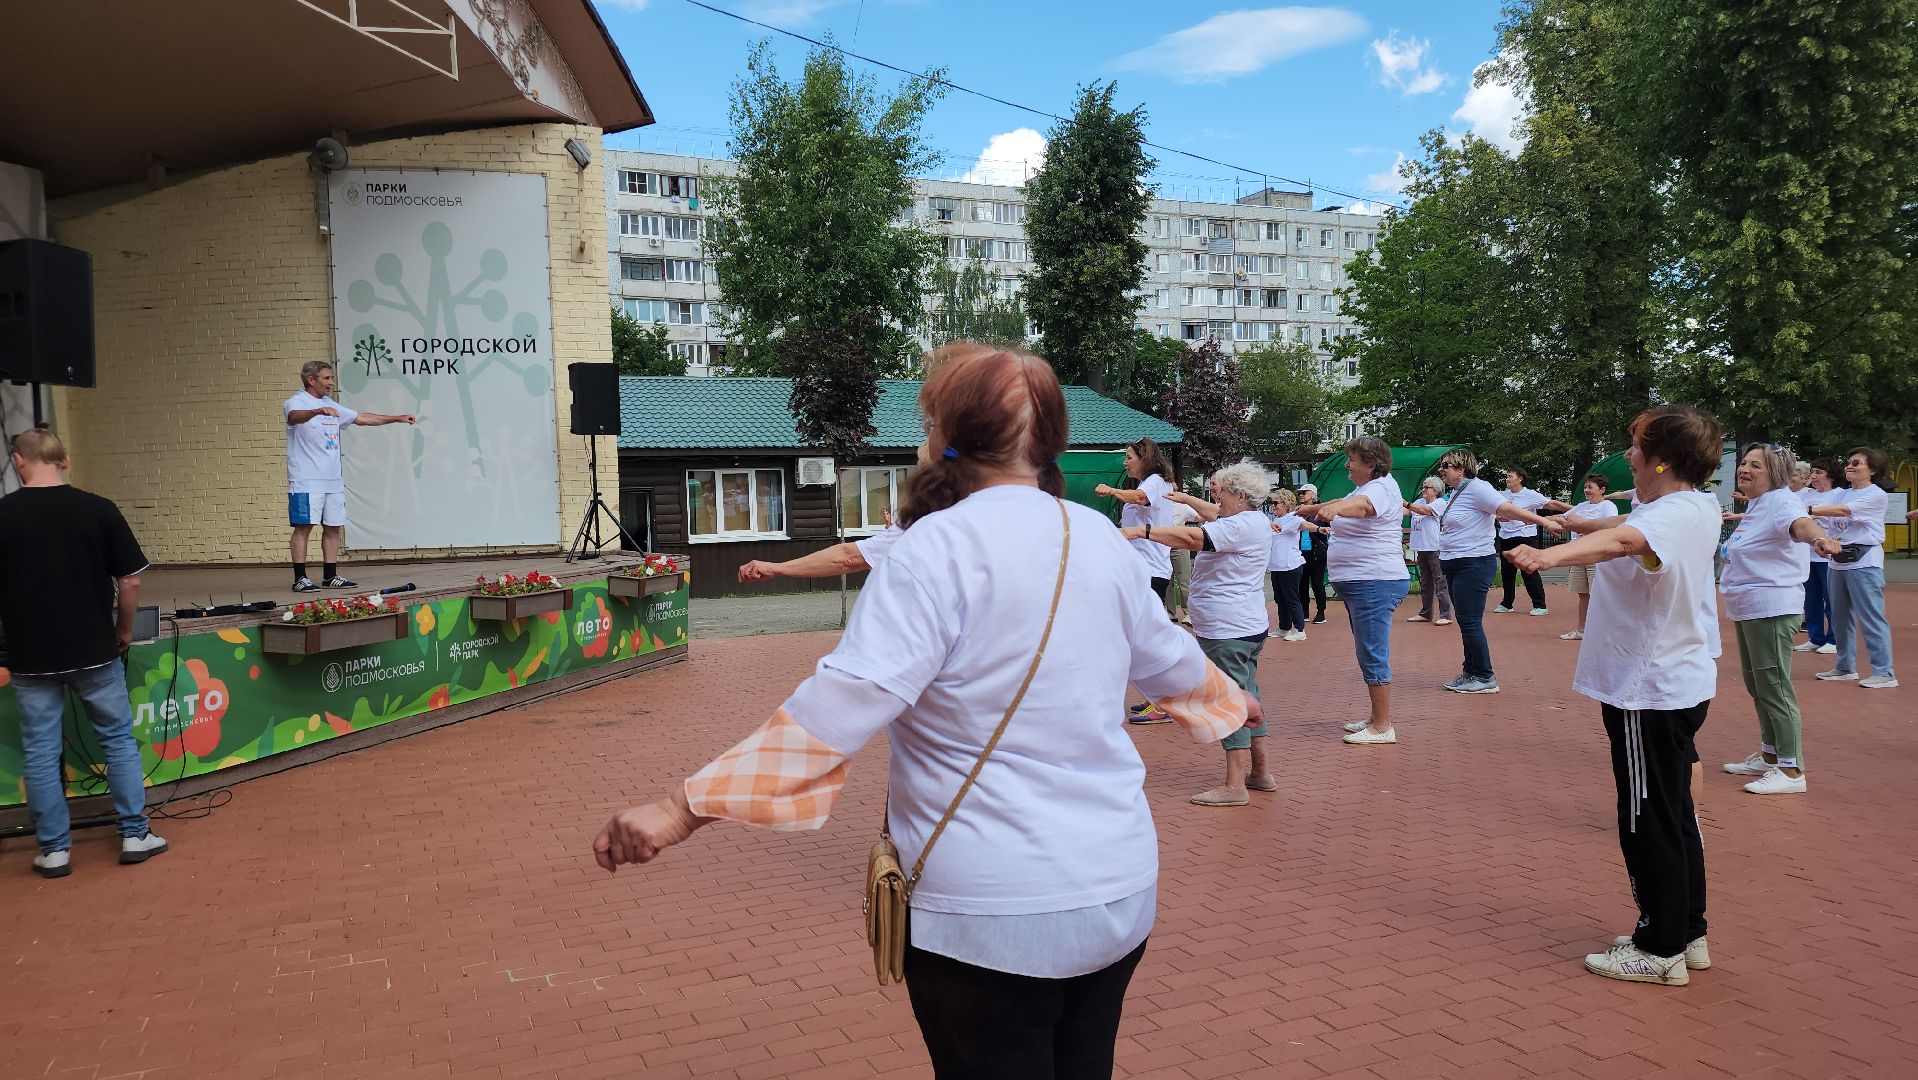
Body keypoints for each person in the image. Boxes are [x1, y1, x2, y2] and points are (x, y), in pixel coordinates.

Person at [590, 345, 1257, 1079]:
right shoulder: (1095, 535)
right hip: (1117, 889)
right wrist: (1232, 702)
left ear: (944, 439)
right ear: (1052, 440)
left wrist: (678, 809)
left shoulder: (929, 551)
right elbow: (1171, 662)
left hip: (986, 913)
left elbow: (838, 708)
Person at [1505, 406, 1722, 986]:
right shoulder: (1687, 507)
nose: (1628, 456)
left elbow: (1622, 541)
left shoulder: (1674, 512)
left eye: (1636, 446)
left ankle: (1659, 948)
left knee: (1646, 815)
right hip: (1670, 682)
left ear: (1664, 459)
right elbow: (1621, 529)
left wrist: (1545, 557)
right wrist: (1563, 524)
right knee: (1675, 814)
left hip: (1646, 689)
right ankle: (1684, 930)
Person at [0, 430, 169, 878]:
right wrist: (125, 629)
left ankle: (54, 850)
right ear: (65, 459)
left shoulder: (3, 514)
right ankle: (135, 834)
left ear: (19, 460)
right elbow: (130, 580)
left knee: (39, 751)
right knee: (117, 741)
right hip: (94, 648)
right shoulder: (98, 509)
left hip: (29, 654)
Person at [1125, 460, 1278, 804]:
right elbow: (1212, 514)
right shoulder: (1247, 519)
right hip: (1242, 627)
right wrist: (1185, 499)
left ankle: (1235, 785)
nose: (1216, 498)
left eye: (1220, 492)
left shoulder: (1240, 525)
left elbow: (1195, 537)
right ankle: (1260, 772)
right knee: (1246, 694)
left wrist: (1140, 532)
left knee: (1229, 700)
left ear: (1239, 496)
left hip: (1229, 630)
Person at [1718, 445, 1842, 795]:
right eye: (1743, 463)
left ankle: (1791, 770)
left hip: (1771, 607)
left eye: (1755, 465)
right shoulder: (1757, 505)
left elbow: (1801, 525)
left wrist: (1819, 538)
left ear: (1775, 473)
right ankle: (1770, 756)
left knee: (1775, 687)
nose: (1744, 469)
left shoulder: (1782, 501)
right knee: (1758, 686)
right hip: (1748, 608)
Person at [1411, 449, 1566, 695]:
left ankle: (1485, 676)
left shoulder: (1477, 488)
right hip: (1455, 562)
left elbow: (1507, 508)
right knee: (1464, 620)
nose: (1441, 469)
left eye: (1446, 465)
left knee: (1470, 621)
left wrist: (1544, 521)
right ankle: (1470, 671)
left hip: (1472, 563)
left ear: (1461, 469)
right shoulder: (1455, 493)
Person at [1294, 437, 1410, 745]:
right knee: (1367, 649)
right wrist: (1311, 509)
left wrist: (1335, 510)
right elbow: (1342, 504)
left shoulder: (1379, 489)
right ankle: (1375, 717)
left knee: (1372, 652)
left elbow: (1363, 508)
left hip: (1375, 581)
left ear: (1371, 464)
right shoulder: (1365, 487)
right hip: (1365, 582)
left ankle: (1383, 726)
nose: (1347, 464)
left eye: (1353, 459)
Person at [284, 361, 415, 592]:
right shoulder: (296, 402)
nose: (331, 383)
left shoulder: (329, 404)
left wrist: (396, 418)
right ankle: (300, 578)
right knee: (304, 527)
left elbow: (361, 418)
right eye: (326, 378)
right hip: (306, 479)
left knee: (333, 527)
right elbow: (294, 417)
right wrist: (316, 411)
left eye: (331, 378)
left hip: (332, 480)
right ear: (311, 380)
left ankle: (330, 576)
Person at [1805, 448, 1898, 688]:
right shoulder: (1841, 494)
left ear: (1873, 470)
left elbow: (1843, 512)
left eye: (1857, 463)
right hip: (1838, 561)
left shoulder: (1875, 494)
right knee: (1839, 617)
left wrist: (1809, 511)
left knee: (1871, 617)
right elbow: (1826, 518)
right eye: (1848, 462)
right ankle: (1845, 667)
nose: (1850, 466)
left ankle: (1884, 672)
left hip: (1864, 562)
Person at [1094, 438, 1179, 604]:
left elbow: (1140, 498)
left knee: (1142, 626)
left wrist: (1111, 490)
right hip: (1141, 569)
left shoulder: (1155, 481)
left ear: (1144, 459)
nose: (1125, 463)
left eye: (1129, 458)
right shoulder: (1150, 483)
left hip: (1150, 570)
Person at [1494, 466, 1571, 615]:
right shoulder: (1503, 496)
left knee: (1528, 570)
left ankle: (1540, 605)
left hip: (1525, 537)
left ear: (1520, 479)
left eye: (1510, 476)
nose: (1507, 479)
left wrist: (1575, 508)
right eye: (1507, 476)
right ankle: (1507, 603)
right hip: (1506, 536)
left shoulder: (1530, 495)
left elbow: (1552, 504)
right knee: (1507, 572)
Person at [1557, 474, 1618, 640]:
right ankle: (1581, 631)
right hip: (1579, 554)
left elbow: (1611, 527)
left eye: (1590, 487)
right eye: (1585, 487)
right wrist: (1537, 520)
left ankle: (1602, 632)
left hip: (1596, 555)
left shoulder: (1608, 506)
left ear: (1602, 490)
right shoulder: (1582, 506)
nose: (1586, 490)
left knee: (1598, 594)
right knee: (1583, 594)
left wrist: (1586, 527)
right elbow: (1562, 518)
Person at [1791, 460, 1838, 654]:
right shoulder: (1806, 496)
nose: (1814, 476)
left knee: (1831, 599)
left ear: (1830, 475)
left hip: (1828, 557)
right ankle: (1815, 637)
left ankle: (1834, 640)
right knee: (1811, 599)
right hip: (1808, 555)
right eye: (1812, 472)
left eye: (1819, 472)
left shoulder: (1839, 495)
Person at [1405, 476, 1452, 625]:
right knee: (1425, 582)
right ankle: (1425, 613)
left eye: (1427, 487)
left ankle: (1445, 615)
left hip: (1435, 547)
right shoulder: (1418, 502)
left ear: (1437, 490)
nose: (1423, 489)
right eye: (1423, 486)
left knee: (1440, 581)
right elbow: (1405, 511)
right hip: (1421, 547)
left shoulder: (1440, 503)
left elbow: (1425, 511)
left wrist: (1406, 503)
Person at [1266, 488, 1308, 641]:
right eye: (1272, 503)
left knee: (1291, 598)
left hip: (1290, 565)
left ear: (1286, 503)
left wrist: (1318, 528)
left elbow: (1305, 525)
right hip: (1276, 566)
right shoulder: (1276, 520)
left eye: (1276, 503)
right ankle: (1284, 627)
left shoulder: (1293, 517)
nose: (1273, 506)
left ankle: (1300, 630)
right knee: (1279, 598)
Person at [1295, 483, 1330, 623]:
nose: (1302, 495)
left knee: (1317, 583)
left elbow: (1329, 526)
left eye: (1305, 492)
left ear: (1314, 495)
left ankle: (1321, 612)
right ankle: (1304, 612)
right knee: (1301, 583)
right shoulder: (1297, 511)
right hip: (1300, 553)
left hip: (1316, 553)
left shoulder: (1321, 511)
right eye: (1300, 493)